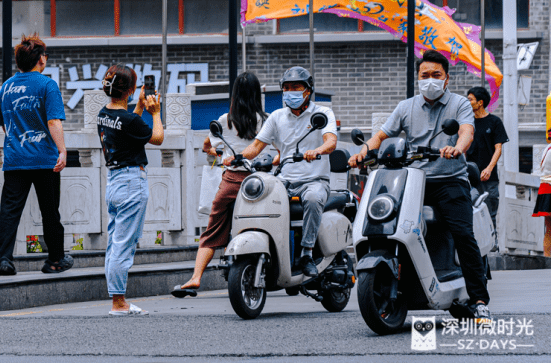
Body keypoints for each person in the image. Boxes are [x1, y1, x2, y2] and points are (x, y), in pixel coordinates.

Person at [349, 49, 490, 324]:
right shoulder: (406, 107)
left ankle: (479, 300)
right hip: (412, 180)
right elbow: (381, 136)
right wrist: (362, 153)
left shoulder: (460, 104)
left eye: (436, 75)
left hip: (449, 179)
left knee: (463, 234)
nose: (430, 80)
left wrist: (457, 149)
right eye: (424, 75)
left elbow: (466, 132)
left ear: (446, 78)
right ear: (418, 78)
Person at [172, 70, 268, 297]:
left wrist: (219, 153)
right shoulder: (266, 120)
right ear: (257, 95)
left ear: (234, 94)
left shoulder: (225, 121)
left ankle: (196, 278)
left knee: (212, 228)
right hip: (260, 184)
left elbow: (207, 145)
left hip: (231, 182)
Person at [239, 65, 336, 278]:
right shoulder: (276, 117)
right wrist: (237, 157)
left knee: (312, 199)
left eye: (296, 87)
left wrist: (317, 150)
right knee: (260, 196)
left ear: (308, 90)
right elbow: (256, 146)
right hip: (284, 179)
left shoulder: (322, 114)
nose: (290, 92)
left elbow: (331, 142)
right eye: (286, 88)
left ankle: (307, 253)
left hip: (314, 180)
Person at [0, 33, 74, 275]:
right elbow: (53, 122)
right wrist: (62, 150)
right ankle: (55, 260)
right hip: (43, 158)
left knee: (9, 211)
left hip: (15, 159)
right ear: (40, 60)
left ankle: (5, 260)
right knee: (49, 210)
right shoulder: (47, 85)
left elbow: (3, 122)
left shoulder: (7, 87)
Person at [97, 64, 164, 315]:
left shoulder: (103, 113)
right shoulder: (129, 120)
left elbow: (128, 122)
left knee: (115, 243)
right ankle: (118, 302)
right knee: (124, 244)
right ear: (131, 90)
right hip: (131, 182)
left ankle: (117, 298)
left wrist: (137, 106)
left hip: (114, 182)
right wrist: (155, 112)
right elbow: (157, 137)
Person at [466, 85, 509, 247]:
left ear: (480, 103)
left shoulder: (494, 121)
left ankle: (492, 242)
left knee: (490, 209)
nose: (467, 102)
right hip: (469, 176)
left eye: (470, 99)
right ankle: (473, 242)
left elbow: (498, 149)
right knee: (469, 209)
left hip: (489, 176)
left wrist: (489, 168)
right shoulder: (467, 122)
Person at [531, 129, 551, 257]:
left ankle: (547, 255)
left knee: (549, 227)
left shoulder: (547, 148)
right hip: (549, 186)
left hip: (545, 187)